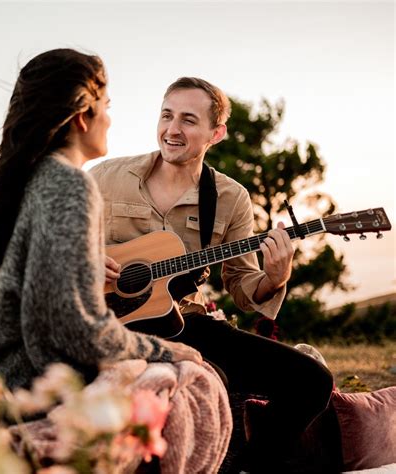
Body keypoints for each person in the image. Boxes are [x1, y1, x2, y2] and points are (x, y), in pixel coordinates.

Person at [90, 77, 334, 472]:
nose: (172, 129)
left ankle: (248, 465)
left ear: (216, 133)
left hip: (183, 322)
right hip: (102, 322)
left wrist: (274, 277)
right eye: (167, 115)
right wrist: (82, 258)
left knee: (311, 381)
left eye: (188, 120)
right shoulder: (105, 177)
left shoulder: (230, 197)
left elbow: (241, 284)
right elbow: (50, 240)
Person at [0, 49, 201, 393]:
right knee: (198, 382)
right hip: (33, 392)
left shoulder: (18, 182)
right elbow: (76, 331)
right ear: (82, 117)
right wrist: (165, 350)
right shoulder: (69, 184)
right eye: (106, 106)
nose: (110, 119)